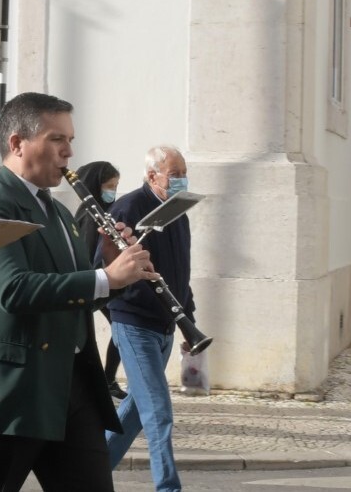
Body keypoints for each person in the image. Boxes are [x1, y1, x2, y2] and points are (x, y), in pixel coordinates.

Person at [0, 92, 157, 492]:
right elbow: (14, 290)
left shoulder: (60, 212)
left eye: (70, 140)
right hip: (12, 394)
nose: (69, 151)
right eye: (56, 139)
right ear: (16, 143)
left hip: (72, 388)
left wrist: (109, 268)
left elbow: (76, 295)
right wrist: (106, 278)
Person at [102, 146, 196, 492]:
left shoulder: (177, 212)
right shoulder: (128, 207)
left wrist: (188, 317)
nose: (182, 178)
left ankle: (89, 475)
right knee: (158, 411)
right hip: (135, 323)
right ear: (153, 175)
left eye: (184, 171)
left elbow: (181, 271)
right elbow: (107, 266)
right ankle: (168, 488)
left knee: (135, 411)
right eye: (175, 173)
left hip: (167, 326)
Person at [74, 160, 127, 399]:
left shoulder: (107, 211)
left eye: (116, 186)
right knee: (120, 327)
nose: (113, 191)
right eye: (109, 186)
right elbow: (86, 253)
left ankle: (107, 379)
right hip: (99, 281)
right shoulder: (89, 215)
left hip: (106, 280)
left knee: (119, 328)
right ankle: (105, 380)